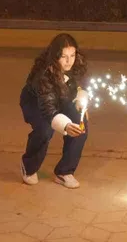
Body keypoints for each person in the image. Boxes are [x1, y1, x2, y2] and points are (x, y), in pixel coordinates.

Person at [19, 33, 90, 189]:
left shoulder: (78, 62)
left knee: (80, 126)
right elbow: (48, 108)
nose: (69, 61)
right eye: (64, 56)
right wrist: (65, 125)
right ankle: (29, 166)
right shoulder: (44, 74)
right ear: (55, 55)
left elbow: (82, 81)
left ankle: (64, 171)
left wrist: (81, 96)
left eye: (72, 55)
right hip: (37, 103)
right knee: (45, 130)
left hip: (63, 97)